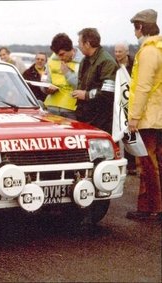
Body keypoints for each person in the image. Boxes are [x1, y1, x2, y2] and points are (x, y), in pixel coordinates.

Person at [126, 9, 162, 221]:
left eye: (135, 27)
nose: (134, 31)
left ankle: (152, 208)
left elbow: (142, 87)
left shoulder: (148, 51)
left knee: (147, 163)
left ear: (140, 27)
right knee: (157, 161)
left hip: (148, 116)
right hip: (159, 115)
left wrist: (134, 117)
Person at [72, 28, 119, 134]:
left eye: (79, 42)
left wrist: (86, 95)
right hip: (85, 115)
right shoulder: (85, 60)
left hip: (100, 119)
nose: (78, 45)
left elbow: (107, 93)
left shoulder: (107, 62)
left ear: (87, 44)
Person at [43, 33, 83, 119]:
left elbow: (83, 86)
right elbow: (44, 81)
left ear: (71, 49)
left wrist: (67, 73)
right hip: (51, 109)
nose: (60, 58)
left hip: (72, 111)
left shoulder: (82, 61)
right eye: (57, 54)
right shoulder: (51, 61)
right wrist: (46, 89)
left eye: (62, 54)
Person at [114, 41, 137, 175]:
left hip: (131, 101)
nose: (117, 54)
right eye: (116, 51)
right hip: (119, 102)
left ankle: (132, 164)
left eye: (120, 51)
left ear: (127, 52)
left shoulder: (134, 64)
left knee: (130, 134)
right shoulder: (114, 65)